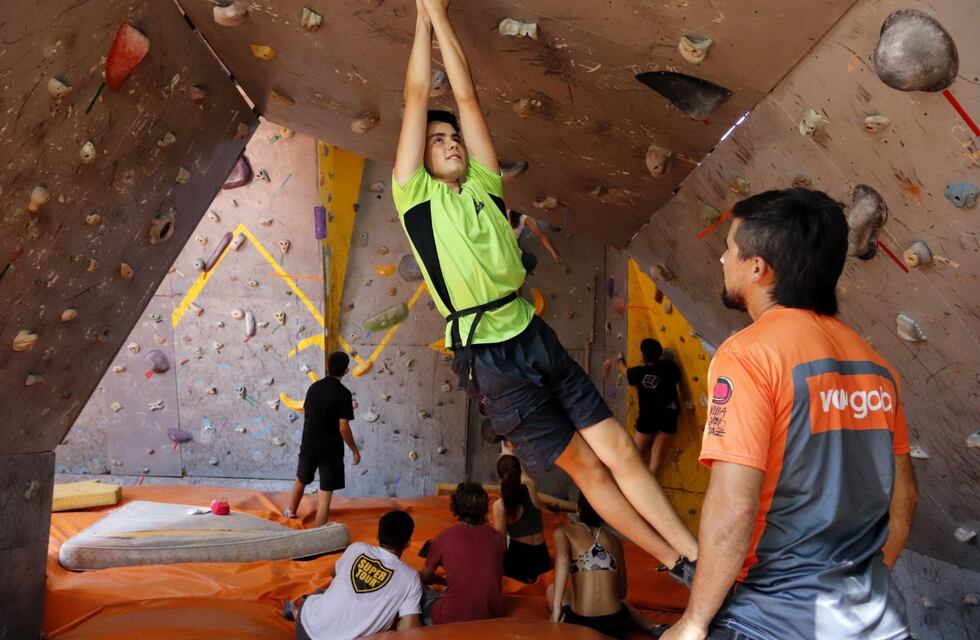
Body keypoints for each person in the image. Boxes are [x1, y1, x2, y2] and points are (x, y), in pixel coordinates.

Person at [392, 0, 697, 574]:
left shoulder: (483, 184)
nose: (450, 142)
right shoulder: (415, 200)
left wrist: (446, 18)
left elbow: (467, 100)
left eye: (451, 138)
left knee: (620, 455)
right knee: (588, 469)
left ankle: (696, 550)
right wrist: (424, 16)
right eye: (437, 141)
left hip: (533, 333)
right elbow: (416, 98)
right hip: (491, 361)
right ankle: (672, 561)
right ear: (421, 161)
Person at [662, 188, 917, 640]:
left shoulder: (749, 356)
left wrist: (695, 622)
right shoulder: (879, 369)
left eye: (729, 250)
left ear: (758, 268)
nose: (723, 260)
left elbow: (733, 509)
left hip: (773, 620)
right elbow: (903, 499)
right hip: (879, 623)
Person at [548, 493, 669, 639]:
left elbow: (562, 560)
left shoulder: (564, 532)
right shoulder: (615, 541)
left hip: (582, 624)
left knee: (552, 589)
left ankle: (653, 628)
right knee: (620, 602)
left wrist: (556, 612)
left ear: (578, 509)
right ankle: (653, 627)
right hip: (616, 623)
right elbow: (622, 593)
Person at [291, 510, 422, 640]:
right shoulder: (410, 578)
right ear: (408, 543)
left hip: (304, 629)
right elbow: (409, 630)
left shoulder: (357, 548)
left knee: (320, 594)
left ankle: (295, 611)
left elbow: (333, 573)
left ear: (377, 536)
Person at [285, 351, 361, 527]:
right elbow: (343, 427)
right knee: (325, 492)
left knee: (301, 479)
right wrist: (355, 451)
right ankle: (318, 533)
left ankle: (290, 513)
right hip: (331, 450)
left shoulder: (314, 388)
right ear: (347, 370)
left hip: (309, 445)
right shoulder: (344, 394)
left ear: (327, 367)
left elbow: (309, 414)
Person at [420, 482, 503, 625]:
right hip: (489, 616)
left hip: (451, 618)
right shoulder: (496, 537)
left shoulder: (445, 537)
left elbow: (425, 577)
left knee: (414, 586)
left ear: (455, 507)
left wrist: (444, 581)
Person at [617, 339, 682, 476]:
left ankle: (630, 482)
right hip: (669, 413)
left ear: (643, 357)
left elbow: (624, 370)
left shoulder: (639, 373)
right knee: (657, 453)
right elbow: (675, 376)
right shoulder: (670, 367)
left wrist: (619, 360)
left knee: (635, 453)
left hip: (649, 416)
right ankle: (651, 485)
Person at [492, 454, 550, 583]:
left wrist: (498, 568)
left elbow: (501, 545)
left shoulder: (499, 506)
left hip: (518, 561)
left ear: (499, 477)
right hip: (542, 558)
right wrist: (510, 451)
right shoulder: (530, 487)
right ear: (519, 471)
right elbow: (520, 472)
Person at [507, 208, 564, 274]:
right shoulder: (525, 218)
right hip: (510, 247)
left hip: (502, 242)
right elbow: (541, 236)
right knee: (530, 260)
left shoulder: (508, 210)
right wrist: (554, 253)